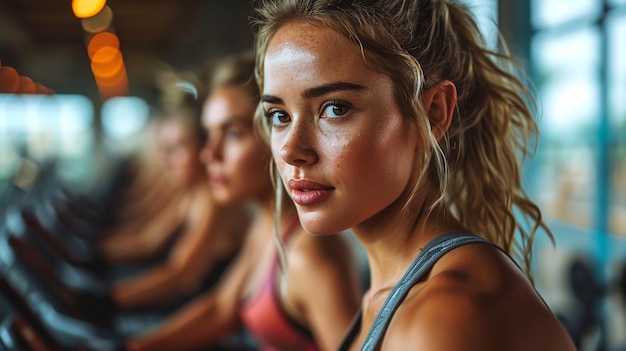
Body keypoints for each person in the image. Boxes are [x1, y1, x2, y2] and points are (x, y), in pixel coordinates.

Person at [252, 1, 578, 350]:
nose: (290, 150)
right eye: (279, 115)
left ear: (433, 114)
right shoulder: (396, 294)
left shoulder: (444, 317)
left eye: (335, 109)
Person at [125, 53, 363, 351]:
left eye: (233, 134)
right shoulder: (266, 226)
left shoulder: (309, 255)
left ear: (275, 139)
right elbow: (221, 310)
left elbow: (183, 274)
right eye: (210, 135)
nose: (209, 154)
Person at [99, 88, 251, 310]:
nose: (166, 161)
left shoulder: (213, 200)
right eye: (164, 150)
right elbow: (149, 240)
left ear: (202, 148)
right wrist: (95, 252)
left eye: (178, 148)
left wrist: (105, 299)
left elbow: (180, 274)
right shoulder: (192, 193)